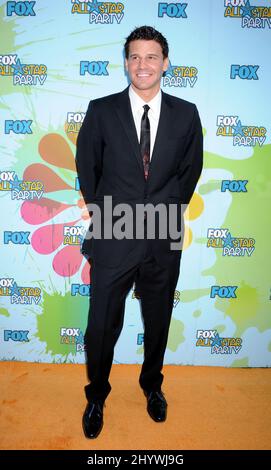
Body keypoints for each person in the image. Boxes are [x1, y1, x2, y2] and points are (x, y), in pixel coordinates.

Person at [75, 25, 203, 439]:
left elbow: (190, 171)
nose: (142, 64)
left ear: (165, 63)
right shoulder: (101, 110)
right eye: (134, 56)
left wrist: (164, 211)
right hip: (113, 229)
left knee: (159, 317)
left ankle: (152, 385)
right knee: (101, 323)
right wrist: (106, 213)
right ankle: (96, 394)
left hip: (163, 230)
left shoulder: (187, 113)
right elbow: (87, 168)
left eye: (151, 57)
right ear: (125, 62)